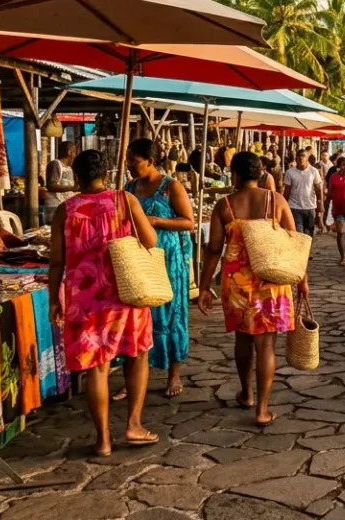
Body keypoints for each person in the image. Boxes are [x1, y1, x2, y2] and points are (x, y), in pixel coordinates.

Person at [48, 150, 160, 456]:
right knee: (136, 356)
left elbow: (57, 262)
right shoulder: (125, 201)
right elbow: (150, 241)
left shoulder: (66, 210)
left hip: (83, 299)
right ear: (107, 175)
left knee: (96, 368)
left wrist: (53, 299)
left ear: (78, 179)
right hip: (125, 293)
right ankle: (134, 425)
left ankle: (103, 439)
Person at [198, 152, 299, 427]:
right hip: (272, 282)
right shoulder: (275, 201)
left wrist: (205, 286)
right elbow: (295, 243)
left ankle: (247, 393)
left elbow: (214, 250)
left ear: (236, 175)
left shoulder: (225, 205)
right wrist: (303, 282)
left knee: (242, 339)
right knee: (266, 344)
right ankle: (263, 409)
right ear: (260, 174)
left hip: (237, 285)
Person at [109, 139, 195, 399]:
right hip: (137, 259)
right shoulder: (129, 187)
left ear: (149, 160)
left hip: (167, 259)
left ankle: (174, 373)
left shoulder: (172, 187)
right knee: (137, 315)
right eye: (128, 161)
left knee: (171, 314)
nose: (129, 165)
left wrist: (156, 221)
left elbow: (189, 222)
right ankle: (133, 376)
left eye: (133, 161)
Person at [283, 149, 323, 236]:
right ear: (296, 158)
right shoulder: (290, 172)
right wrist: (284, 208)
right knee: (299, 234)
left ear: (307, 158)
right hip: (295, 207)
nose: (301, 158)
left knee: (309, 235)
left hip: (310, 207)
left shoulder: (314, 171)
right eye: (299, 156)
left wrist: (320, 209)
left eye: (303, 156)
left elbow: (319, 191)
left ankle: (307, 250)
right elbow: (287, 192)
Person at [44, 141, 78, 224]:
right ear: (69, 152)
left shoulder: (69, 167)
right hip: (55, 205)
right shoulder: (55, 164)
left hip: (65, 204)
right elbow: (51, 185)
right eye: (74, 152)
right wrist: (72, 188)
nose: (75, 155)